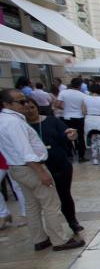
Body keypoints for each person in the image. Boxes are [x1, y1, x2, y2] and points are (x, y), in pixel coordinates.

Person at [0, 89, 84, 251]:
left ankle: (40, 239)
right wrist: (41, 172)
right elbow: (25, 151)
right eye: (21, 102)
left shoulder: (6, 120)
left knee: (31, 205)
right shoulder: (13, 122)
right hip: (29, 168)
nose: (25, 105)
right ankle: (59, 240)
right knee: (50, 204)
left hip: (17, 168)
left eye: (26, 101)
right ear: (7, 104)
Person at [22, 99, 83, 233]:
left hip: (59, 163)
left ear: (37, 107)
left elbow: (67, 133)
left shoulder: (51, 121)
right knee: (44, 199)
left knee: (64, 194)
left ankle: (72, 221)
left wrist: (72, 135)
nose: (29, 111)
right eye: (25, 108)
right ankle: (51, 231)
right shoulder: (21, 126)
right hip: (37, 167)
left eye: (32, 107)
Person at [57, 78, 88, 162]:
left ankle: (69, 155)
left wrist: (64, 108)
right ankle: (81, 156)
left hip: (66, 117)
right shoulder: (83, 95)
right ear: (80, 85)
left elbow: (57, 104)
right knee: (80, 137)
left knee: (67, 136)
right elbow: (84, 108)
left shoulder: (63, 93)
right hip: (78, 117)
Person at [0, 151, 26, 229]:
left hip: (12, 156)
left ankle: (26, 214)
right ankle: (3, 214)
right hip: (2, 158)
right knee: (18, 187)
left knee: (18, 187)